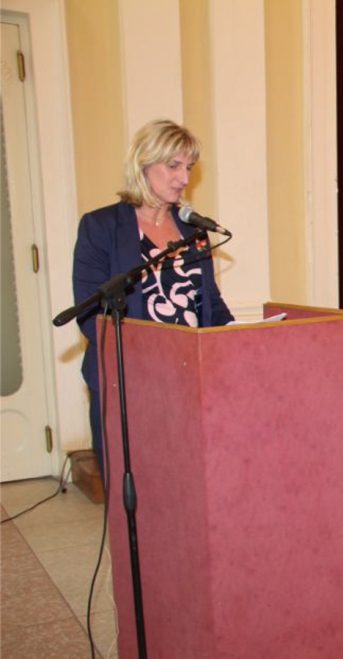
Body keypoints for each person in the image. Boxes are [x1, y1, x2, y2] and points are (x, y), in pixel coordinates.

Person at [72, 119, 234, 470]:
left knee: (185, 480)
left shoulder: (193, 230)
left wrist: (234, 339)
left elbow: (210, 302)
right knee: (134, 484)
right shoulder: (101, 227)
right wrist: (152, 358)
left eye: (189, 167)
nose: (184, 178)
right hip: (128, 381)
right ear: (143, 164)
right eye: (173, 166)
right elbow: (90, 316)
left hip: (189, 379)